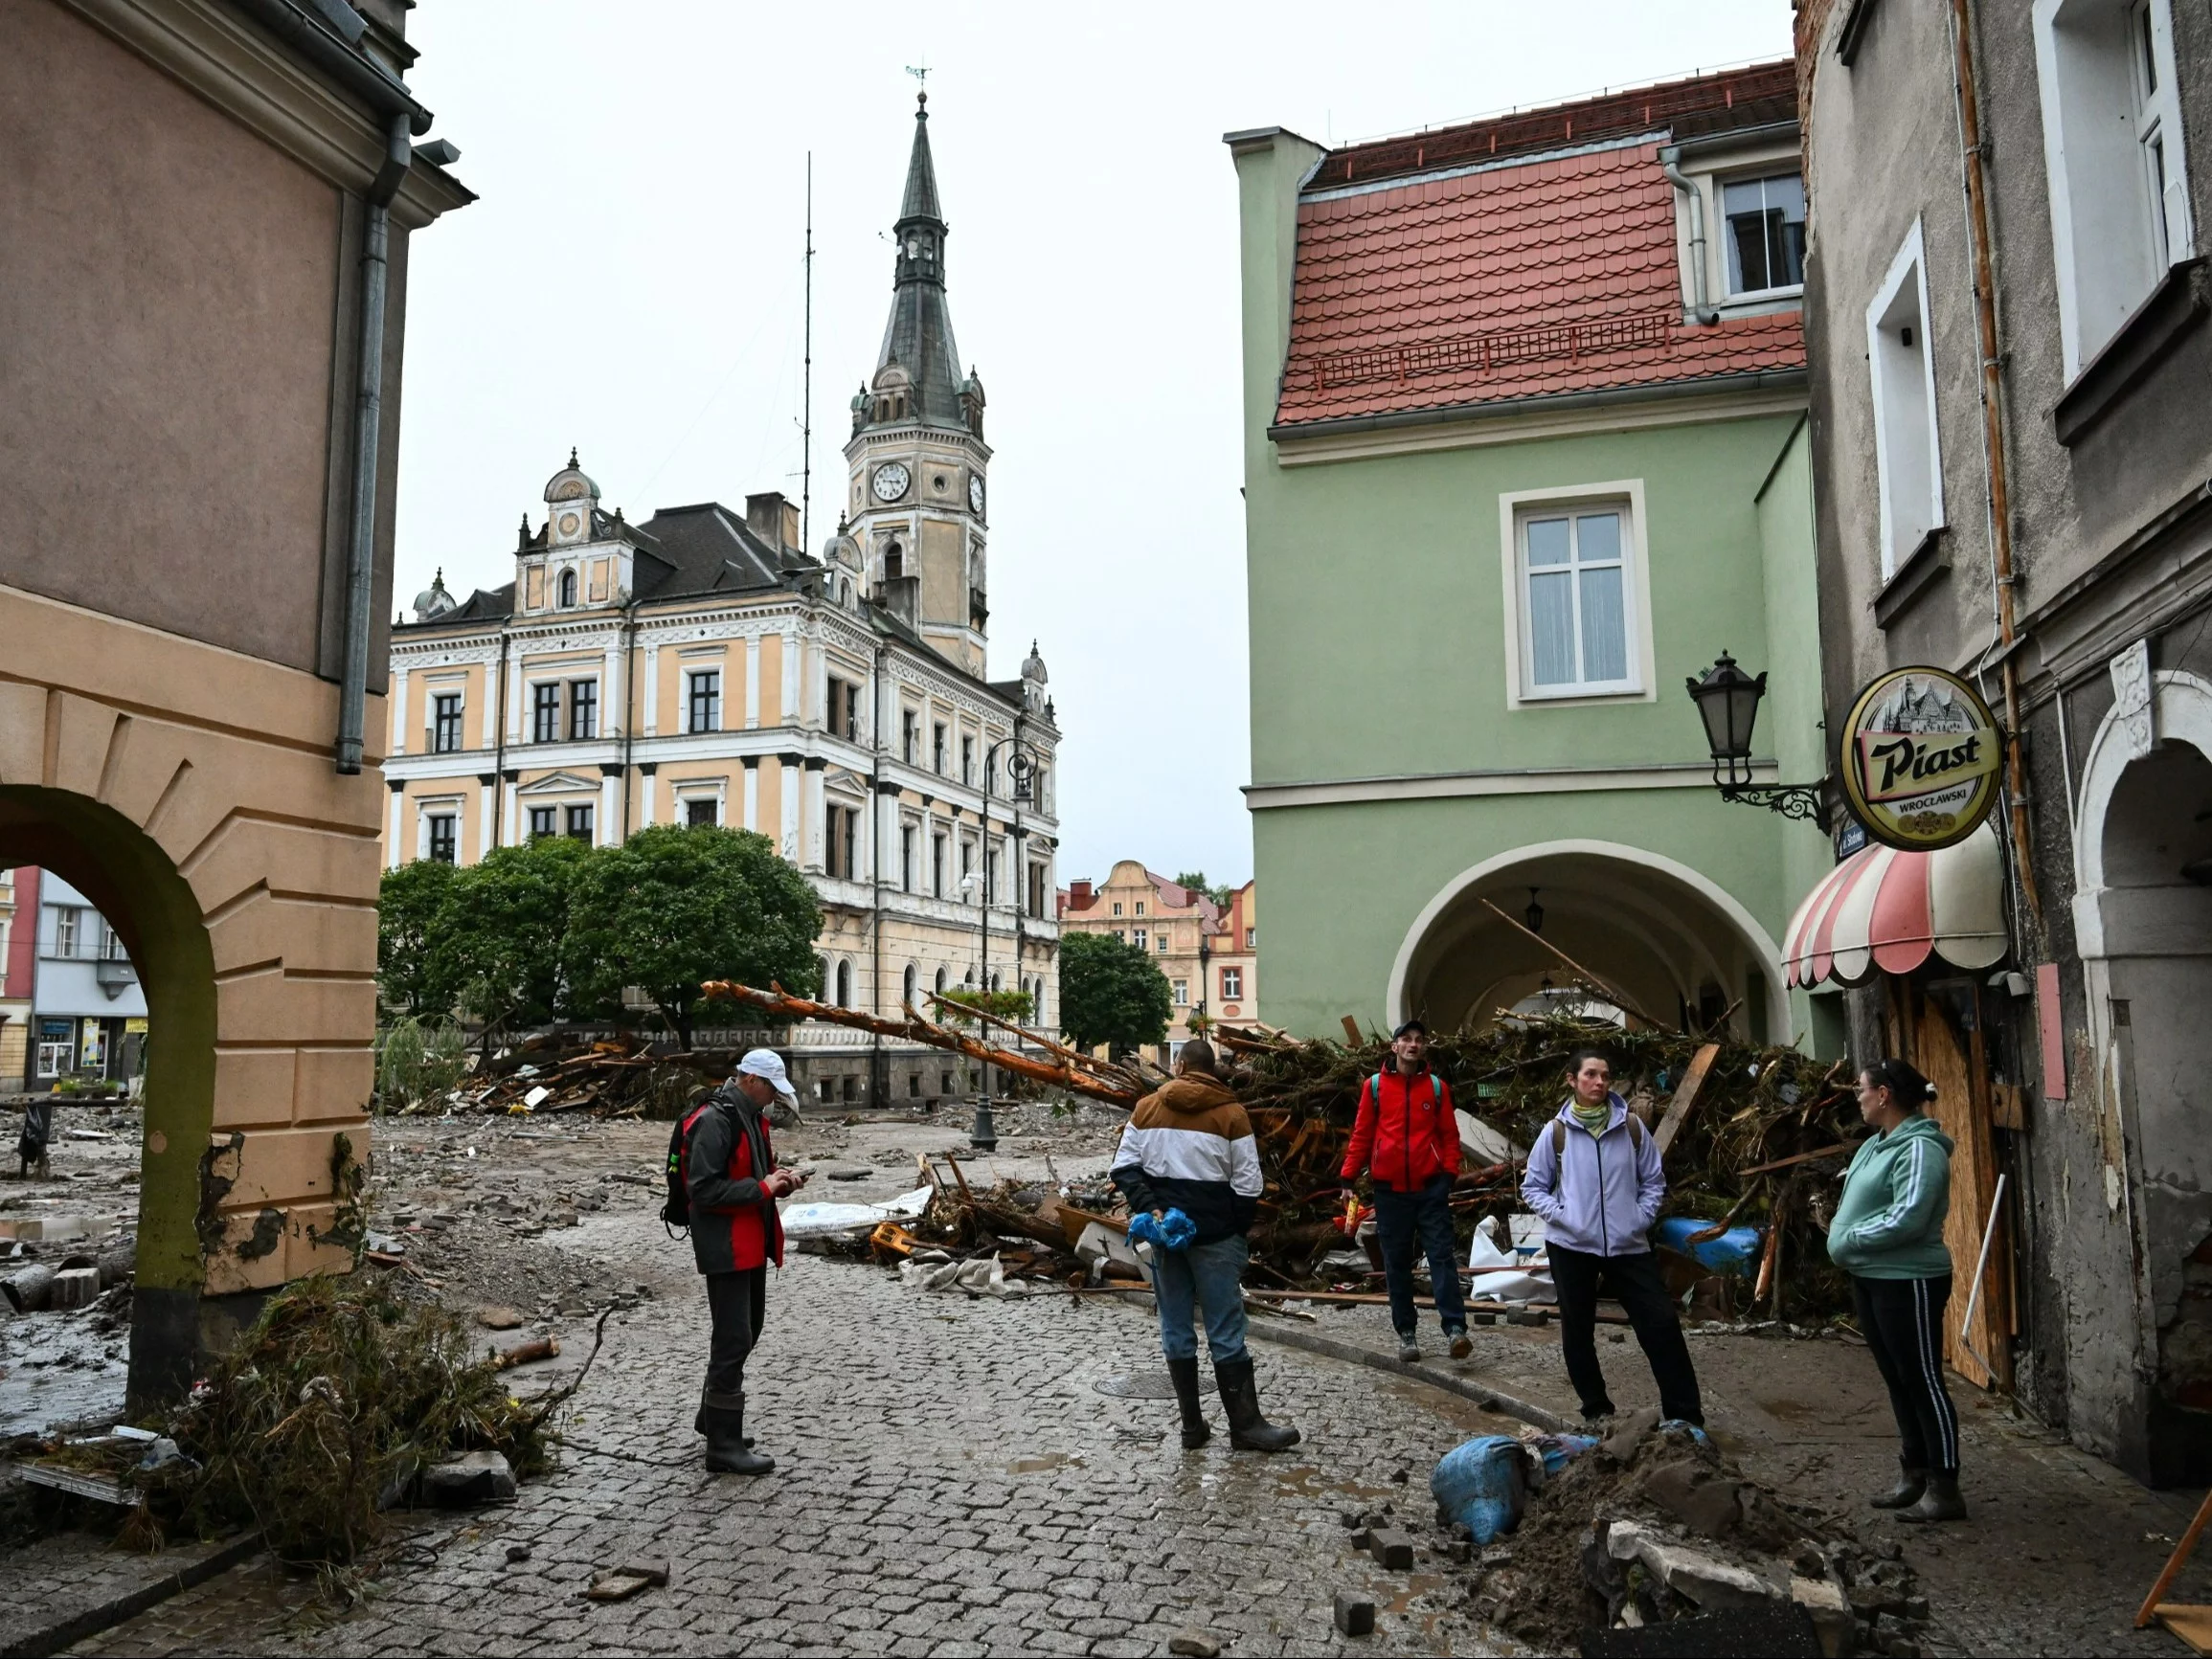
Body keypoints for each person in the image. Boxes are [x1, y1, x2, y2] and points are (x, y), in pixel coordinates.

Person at [1111, 1040, 1298, 1453]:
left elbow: (1123, 1166)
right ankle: (1246, 1427)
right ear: (1213, 1071)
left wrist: (1153, 1210)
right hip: (1216, 1238)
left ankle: (1192, 1428)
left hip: (1165, 1240)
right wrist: (1233, 1230)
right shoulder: (1232, 1113)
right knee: (1225, 1332)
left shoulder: (1146, 1108)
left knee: (1176, 1329)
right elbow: (1248, 1182)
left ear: (1178, 1066)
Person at [1521, 1047, 1704, 1426]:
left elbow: (1653, 1180)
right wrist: (1564, 1217)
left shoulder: (1632, 1128)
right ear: (1572, 1080)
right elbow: (1534, 1187)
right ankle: (1597, 1410)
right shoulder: (1556, 1132)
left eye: (1604, 1075)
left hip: (1628, 1245)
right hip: (1571, 1247)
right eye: (1590, 1074)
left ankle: (1684, 1416)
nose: (1599, 1082)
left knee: (1661, 1324)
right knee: (1578, 1330)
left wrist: (1640, 1218)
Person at [1828, 1057, 1965, 1523]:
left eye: (1862, 1089)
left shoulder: (1921, 1149)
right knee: (1897, 1379)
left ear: (1884, 1094)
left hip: (1910, 1280)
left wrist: (1849, 1239)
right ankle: (1915, 1473)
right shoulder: (1875, 1144)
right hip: (1871, 1278)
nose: (1857, 1096)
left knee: (1923, 1379)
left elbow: (1910, 1216)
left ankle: (1945, 1487)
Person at [684, 1048, 808, 1475]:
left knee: (748, 1329)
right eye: (772, 1087)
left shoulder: (751, 1117)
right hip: (725, 1244)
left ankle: (712, 1421)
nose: (775, 1096)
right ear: (751, 1080)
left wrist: (779, 1184)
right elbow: (702, 1190)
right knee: (733, 1337)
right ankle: (722, 1446)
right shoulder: (716, 1120)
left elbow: (755, 1178)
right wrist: (761, 1188)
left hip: (749, 1240)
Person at [1341, 1020, 1471, 1362]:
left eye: (1419, 1040)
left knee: (1441, 1257)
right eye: (1406, 1039)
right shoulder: (1375, 1088)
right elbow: (1362, 1134)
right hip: (1389, 1192)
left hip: (1430, 1190)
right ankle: (1407, 1333)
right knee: (1396, 1263)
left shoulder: (1437, 1088)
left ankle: (1456, 1329)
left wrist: (1448, 1176)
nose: (1413, 1044)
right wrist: (1347, 1179)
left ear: (1423, 1048)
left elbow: (1449, 1137)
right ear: (1394, 1046)